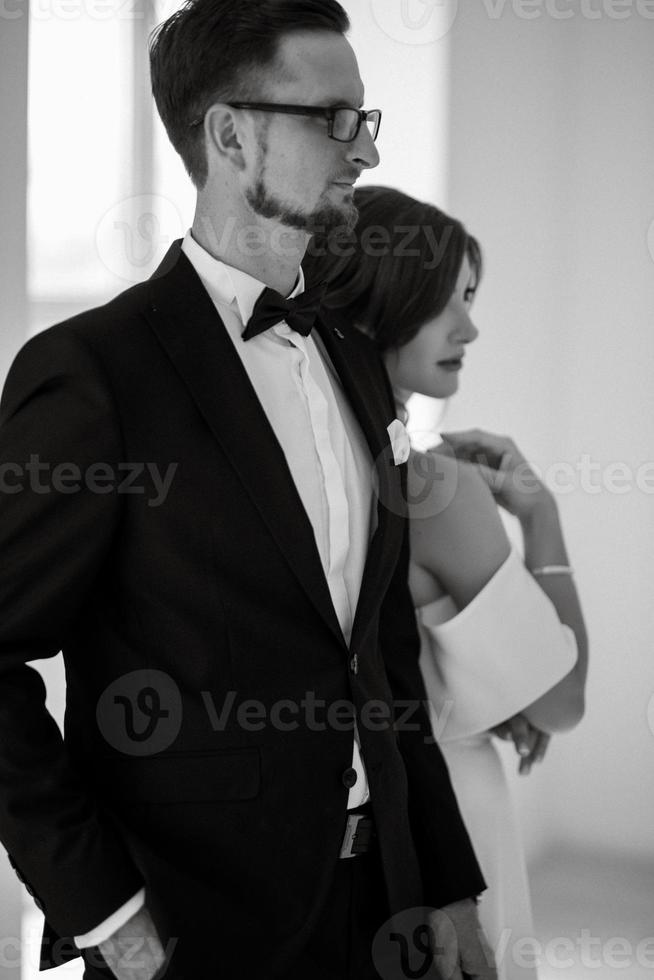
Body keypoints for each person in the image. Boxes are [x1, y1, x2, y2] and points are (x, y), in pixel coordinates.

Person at [0, 7, 497, 980]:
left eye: (367, 118)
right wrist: (113, 918)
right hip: (196, 928)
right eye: (333, 118)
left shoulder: (351, 354)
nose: (364, 148)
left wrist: (447, 881)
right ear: (230, 134)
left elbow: (383, 650)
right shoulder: (93, 371)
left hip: (385, 911)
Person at [304, 184, 589, 979]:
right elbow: (560, 704)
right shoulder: (441, 490)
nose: (471, 327)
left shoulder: (304, 460)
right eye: (447, 301)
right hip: (447, 824)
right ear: (380, 296)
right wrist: (541, 517)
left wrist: (484, 694)